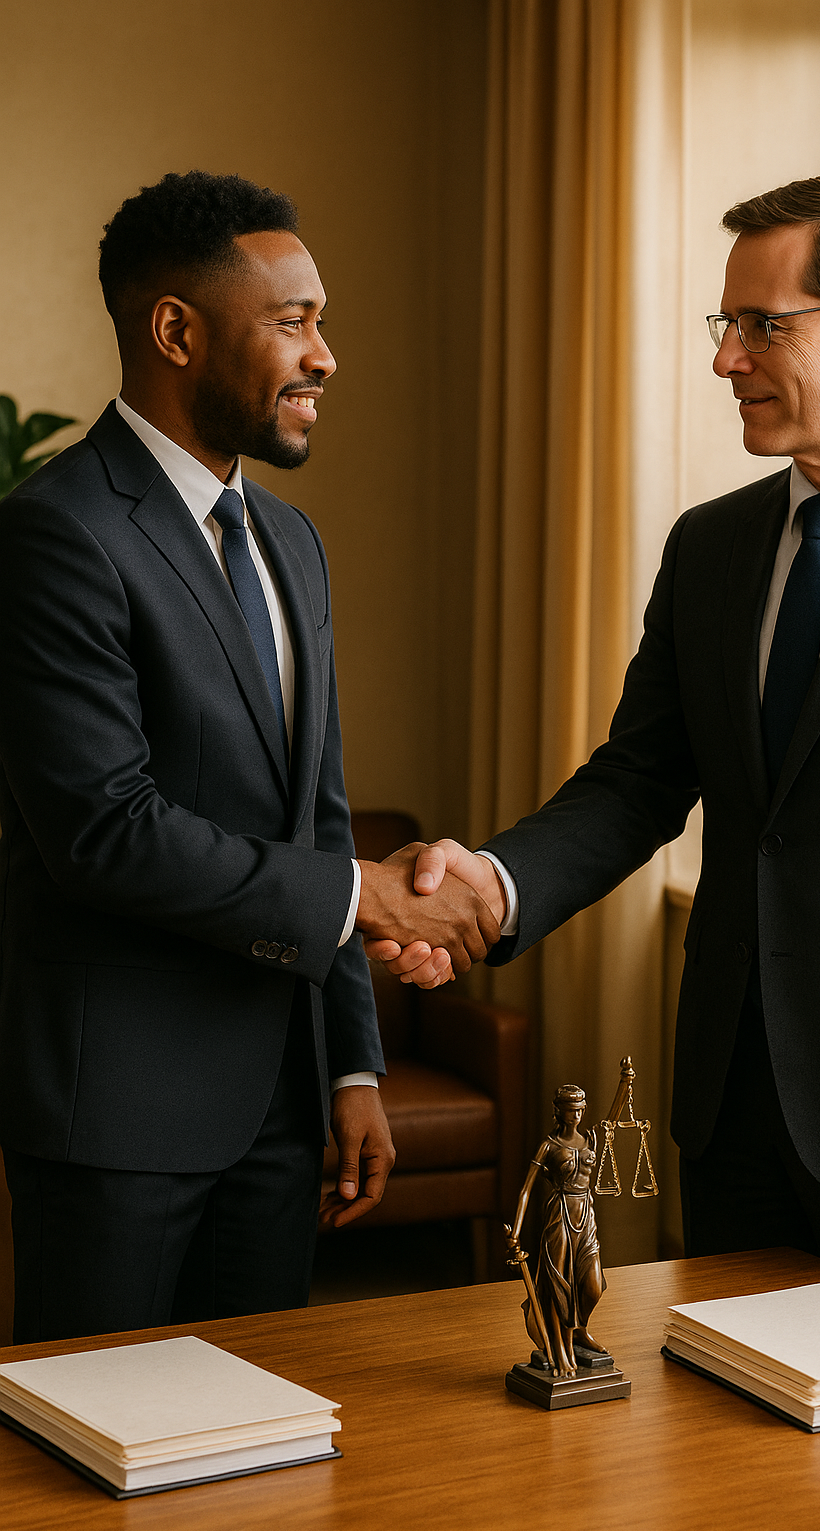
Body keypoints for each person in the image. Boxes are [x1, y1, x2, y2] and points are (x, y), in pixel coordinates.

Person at [374, 175, 820, 1325]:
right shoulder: (711, 547)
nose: (726, 359)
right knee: (728, 1448)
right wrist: (492, 884)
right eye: (725, 327)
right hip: (727, 1107)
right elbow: (636, 783)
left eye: (760, 327)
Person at [0, 171, 497, 1343]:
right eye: (294, 321)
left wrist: (353, 1072)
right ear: (176, 329)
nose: (325, 354)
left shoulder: (289, 540)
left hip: (282, 1115)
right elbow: (104, 832)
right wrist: (366, 897)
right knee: (97, 1470)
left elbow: (311, 814)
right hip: (114, 1125)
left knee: (260, 1466)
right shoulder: (52, 536)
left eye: (321, 321)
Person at [508, 1085, 606, 1378]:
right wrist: (516, 1229)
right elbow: (526, 1189)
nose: (576, 1115)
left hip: (585, 1212)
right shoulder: (548, 1146)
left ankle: (578, 1331)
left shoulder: (590, 1139)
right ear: (558, 1111)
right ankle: (561, 1348)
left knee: (593, 1285)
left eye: (580, 1109)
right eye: (570, 1109)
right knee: (557, 1284)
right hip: (560, 1213)